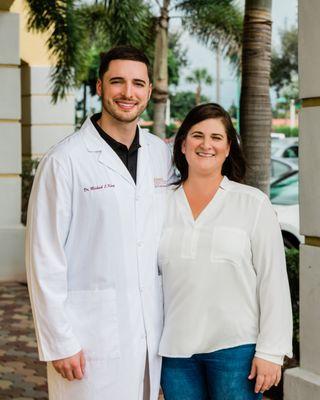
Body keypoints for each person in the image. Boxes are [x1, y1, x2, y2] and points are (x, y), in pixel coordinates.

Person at [26, 46, 172, 400]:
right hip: (88, 338)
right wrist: (60, 341)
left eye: (138, 83)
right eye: (117, 81)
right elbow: (44, 257)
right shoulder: (65, 161)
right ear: (99, 87)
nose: (128, 92)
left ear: (149, 91)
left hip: (151, 334)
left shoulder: (162, 155)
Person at [158, 103, 293, 400]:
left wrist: (271, 351)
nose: (206, 144)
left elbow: (273, 282)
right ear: (182, 144)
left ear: (229, 147)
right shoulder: (159, 204)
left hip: (237, 350)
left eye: (217, 137)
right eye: (197, 135)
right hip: (174, 351)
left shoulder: (252, 204)